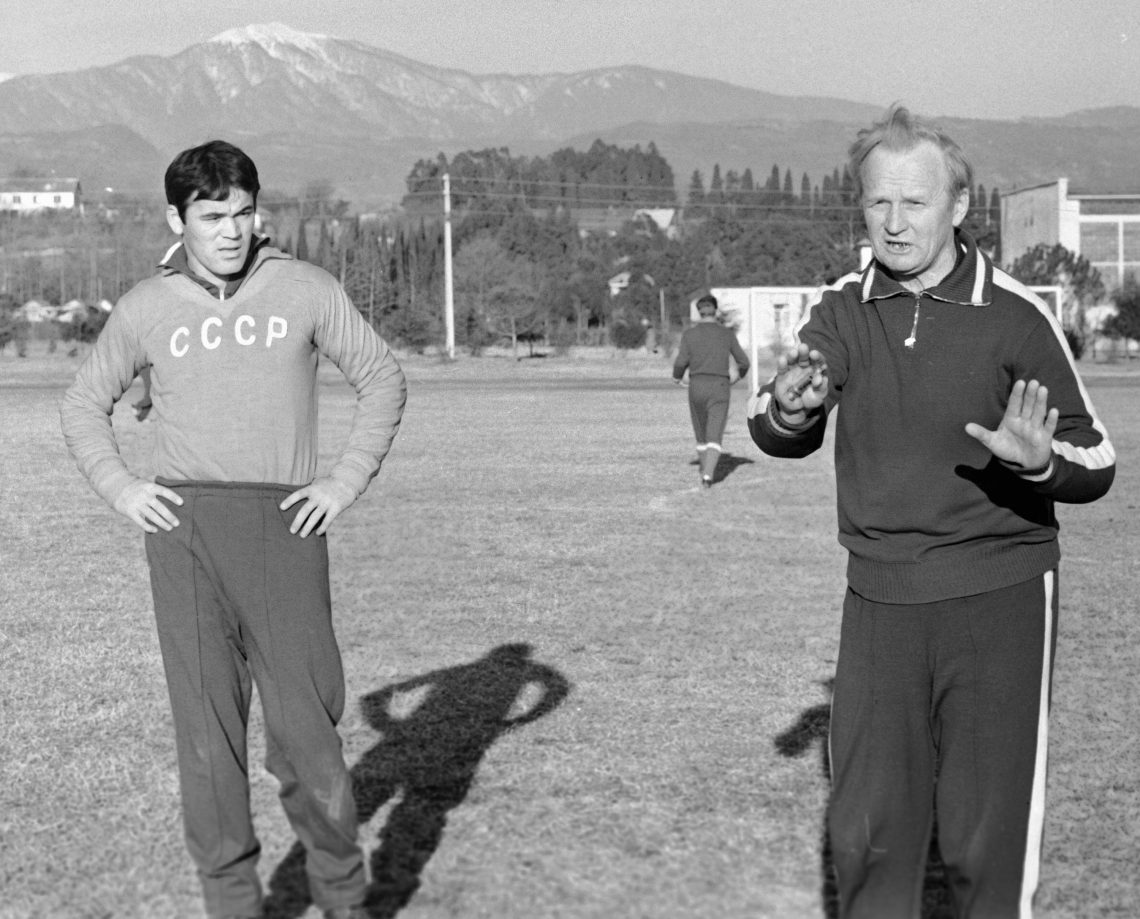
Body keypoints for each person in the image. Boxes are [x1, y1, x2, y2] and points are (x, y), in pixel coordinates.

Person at [748, 104, 1115, 918]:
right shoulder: (844, 306)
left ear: (957, 205)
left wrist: (1041, 460)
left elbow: (1099, 460)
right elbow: (776, 420)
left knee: (986, 837)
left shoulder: (1016, 314)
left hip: (1000, 598)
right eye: (878, 201)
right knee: (871, 831)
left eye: (914, 202)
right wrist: (795, 407)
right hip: (879, 600)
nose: (893, 220)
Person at [61, 140, 407, 919]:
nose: (229, 230)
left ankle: (345, 900)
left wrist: (343, 480)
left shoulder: (305, 289)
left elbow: (381, 374)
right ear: (176, 218)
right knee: (207, 745)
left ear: (260, 212)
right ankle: (233, 905)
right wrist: (121, 488)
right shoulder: (147, 307)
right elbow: (84, 404)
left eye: (243, 213)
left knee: (305, 737)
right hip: (182, 536)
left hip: (283, 529)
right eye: (212, 216)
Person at [672, 293, 750, 487]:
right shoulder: (726, 334)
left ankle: (704, 468)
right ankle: (708, 475)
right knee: (715, 432)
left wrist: (676, 376)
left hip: (696, 386)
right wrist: (738, 376)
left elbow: (681, 362)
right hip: (720, 387)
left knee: (701, 432)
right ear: (716, 311)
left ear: (698, 312)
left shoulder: (689, 334)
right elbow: (744, 362)